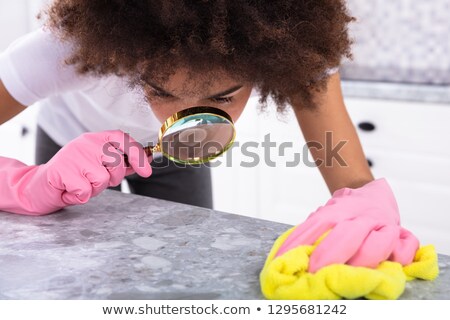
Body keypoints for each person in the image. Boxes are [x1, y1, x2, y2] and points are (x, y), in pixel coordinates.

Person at [0, 0, 419, 272]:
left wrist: (366, 206)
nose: (189, 115)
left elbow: (352, 181)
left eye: (223, 96)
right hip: (68, 143)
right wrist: (26, 186)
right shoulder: (63, 49)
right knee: (69, 264)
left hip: (177, 155)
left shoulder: (295, 46)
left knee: (182, 262)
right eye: (160, 91)